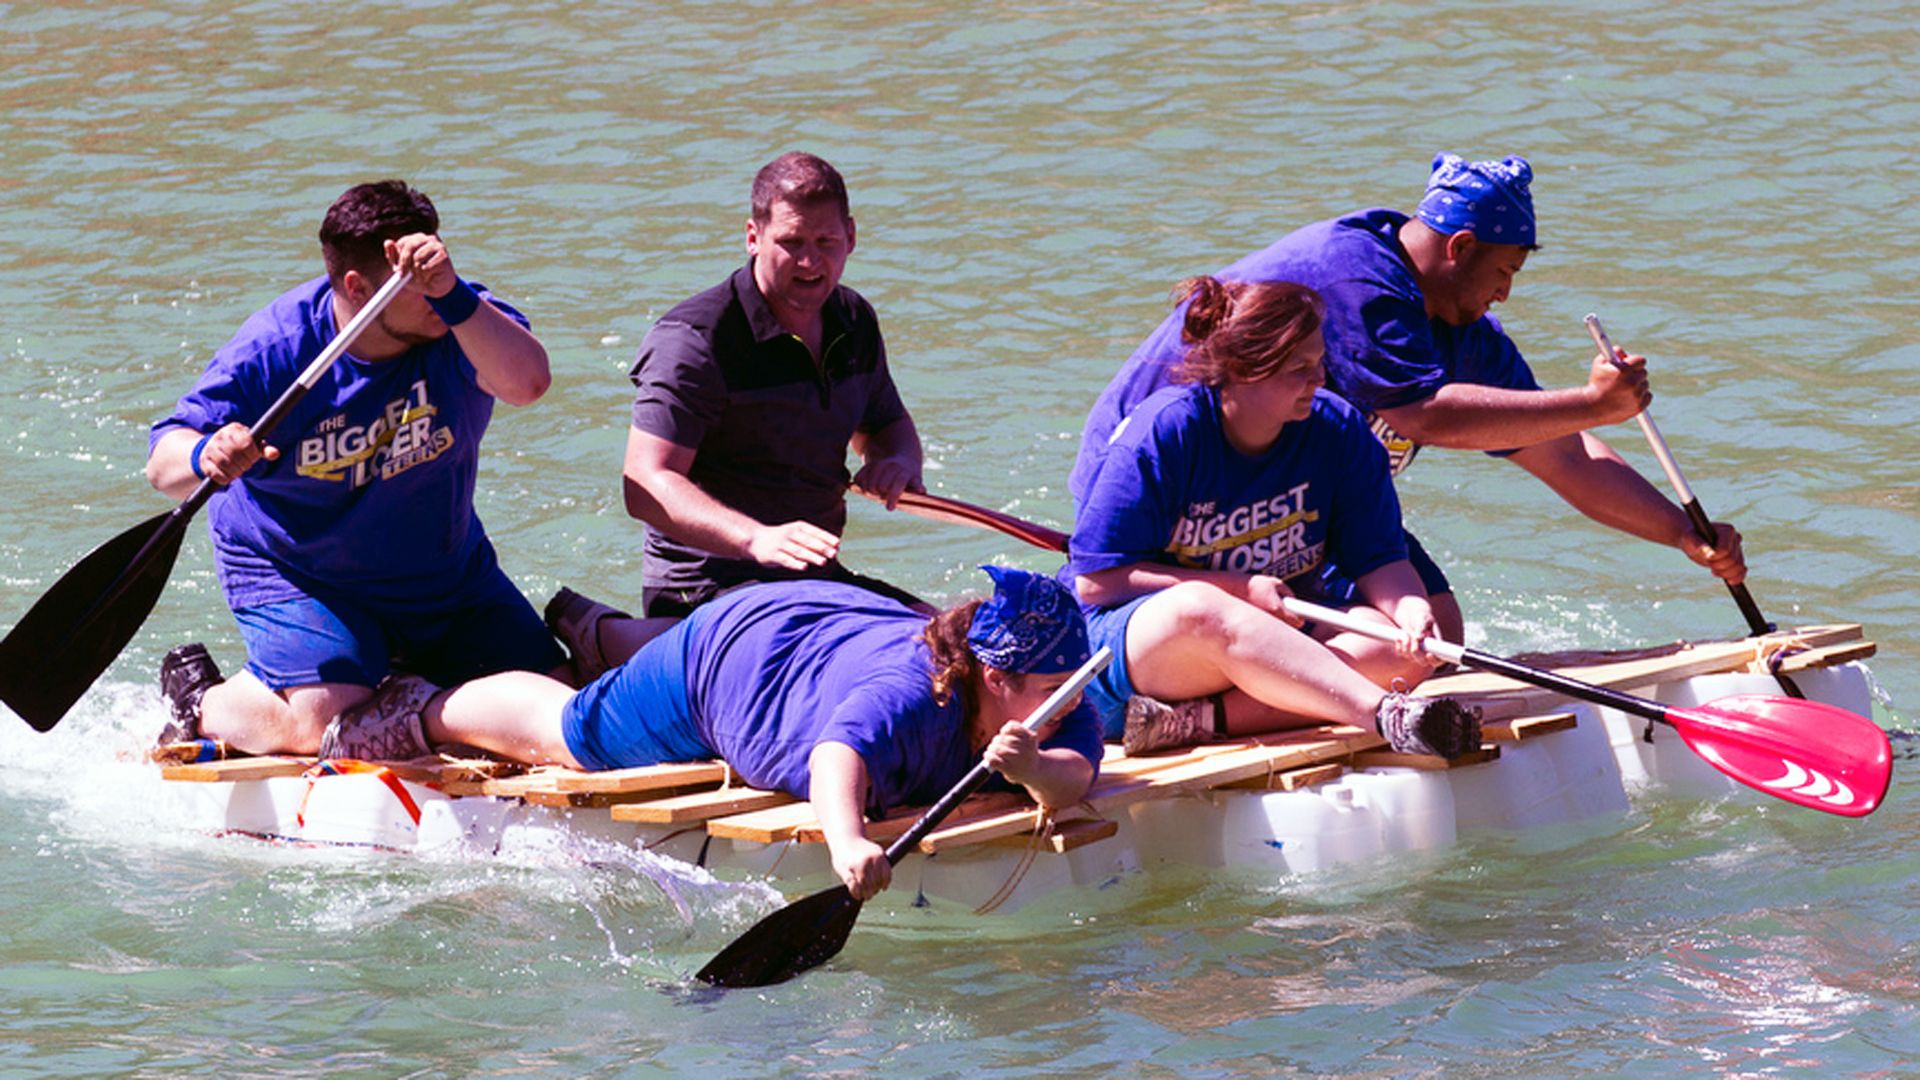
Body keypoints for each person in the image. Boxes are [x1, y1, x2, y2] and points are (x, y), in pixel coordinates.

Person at [1069, 153, 1746, 642]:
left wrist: (1682, 533)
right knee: (1343, 629)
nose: (1504, 294)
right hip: (1175, 503)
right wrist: (1595, 402)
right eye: (1504, 273)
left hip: (1289, 508)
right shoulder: (1356, 281)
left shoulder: (1468, 332)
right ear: (1459, 247)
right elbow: (1422, 414)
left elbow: (1563, 456)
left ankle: (1331, 687)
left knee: (1438, 625)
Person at [320, 567, 1104, 902]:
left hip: (823, 625)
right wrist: (848, 844)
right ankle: (418, 707)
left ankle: (599, 633)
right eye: (1046, 691)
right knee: (570, 731)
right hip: (731, 663)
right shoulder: (907, 695)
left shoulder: (1058, 700)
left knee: (598, 699)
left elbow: (1077, 778)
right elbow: (839, 755)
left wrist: (1033, 767)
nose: (1065, 702)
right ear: (993, 677)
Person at [146, 179, 565, 756]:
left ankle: (410, 690)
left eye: (439, 266)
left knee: (553, 694)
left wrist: (451, 294)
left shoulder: (462, 318)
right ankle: (202, 699)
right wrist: (208, 453)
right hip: (298, 572)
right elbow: (163, 464)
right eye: (417, 283)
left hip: (439, 569)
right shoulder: (276, 347)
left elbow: (528, 383)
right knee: (323, 720)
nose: (437, 291)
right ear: (357, 285)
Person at [1070, 276, 1480, 759]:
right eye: (1299, 368)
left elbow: (1379, 558)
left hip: (1268, 639)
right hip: (1150, 650)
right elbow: (1097, 584)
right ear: (1244, 371)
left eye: (1320, 362)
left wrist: (1411, 610)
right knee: (1201, 605)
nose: (1320, 380)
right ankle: (1387, 716)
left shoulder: (1338, 430)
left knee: (1395, 649)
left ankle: (1192, 722)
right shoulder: (1164, 433)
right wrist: (1240, 590)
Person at [609, 151, 926, 639]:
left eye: (826, 242)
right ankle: (613, 642)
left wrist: (898, 461)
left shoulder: (854, 320)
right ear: (753, 238)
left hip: (814, 579)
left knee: (954, 647)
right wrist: (754, 538)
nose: (809, 261)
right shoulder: (696, 339)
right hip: (707, 587)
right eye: (791, 242)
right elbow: (645, 483)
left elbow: (885, 425)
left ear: (852, 237)